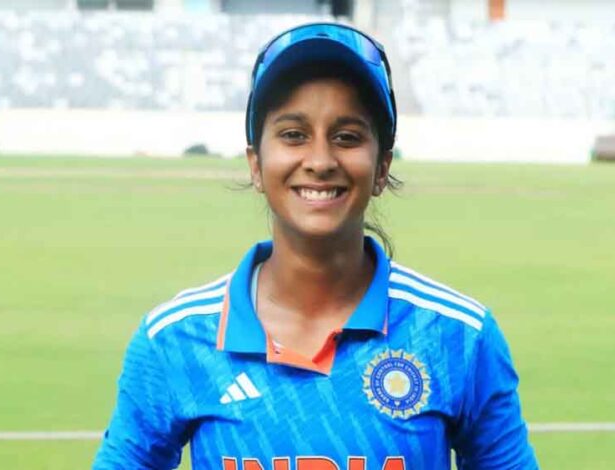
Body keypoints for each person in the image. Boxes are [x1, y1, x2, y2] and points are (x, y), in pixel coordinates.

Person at [94, 23, 538, 470]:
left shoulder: (458, 335)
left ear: (382, 167)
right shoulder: (175, 338)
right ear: (255, 163)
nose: (321, 161)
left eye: (347, 137)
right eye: (293, 134)